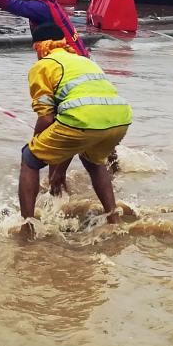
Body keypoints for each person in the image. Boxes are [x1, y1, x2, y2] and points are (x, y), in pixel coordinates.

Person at [19, 23, 132, 236]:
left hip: (82, 119)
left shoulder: (43, 66)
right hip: (120, 118)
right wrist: (58, 171)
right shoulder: (84, 60)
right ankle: (113, 219)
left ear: (39, 47)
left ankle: (28, 226)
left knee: (29, 158)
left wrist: (36, 146)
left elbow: (46, 118)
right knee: (94, 162)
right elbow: (70, 137)